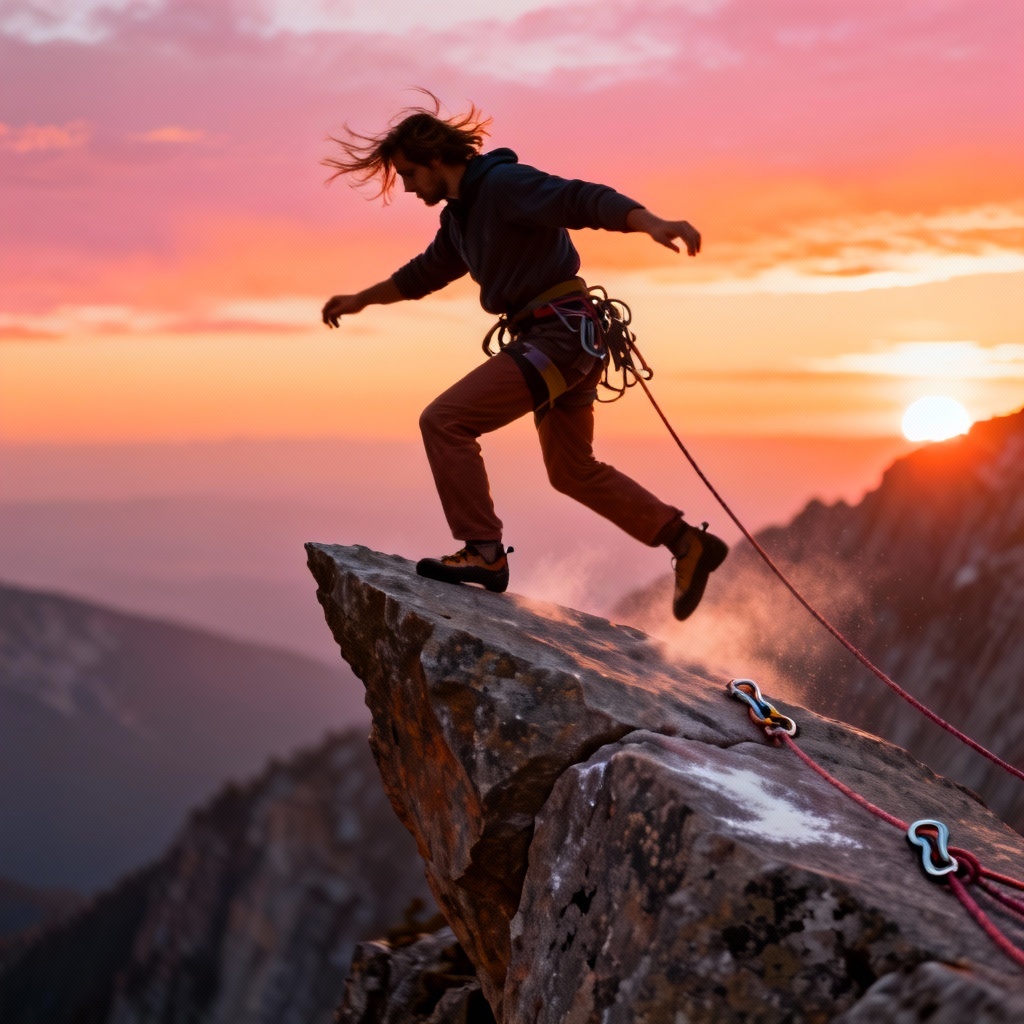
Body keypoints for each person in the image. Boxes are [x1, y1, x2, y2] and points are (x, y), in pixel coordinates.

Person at [321, 94, 727, 620]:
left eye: (409, 174)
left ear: (437, 159)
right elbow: (423, 274)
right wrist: (361, 300)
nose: (407, 186)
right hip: (568, 338)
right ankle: (685, 542)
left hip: (556, 336)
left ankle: (484, 552)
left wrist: (649, 222)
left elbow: (579, 199)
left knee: (445, 421)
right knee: (571, 470)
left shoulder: (503, 186)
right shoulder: (460, 220)